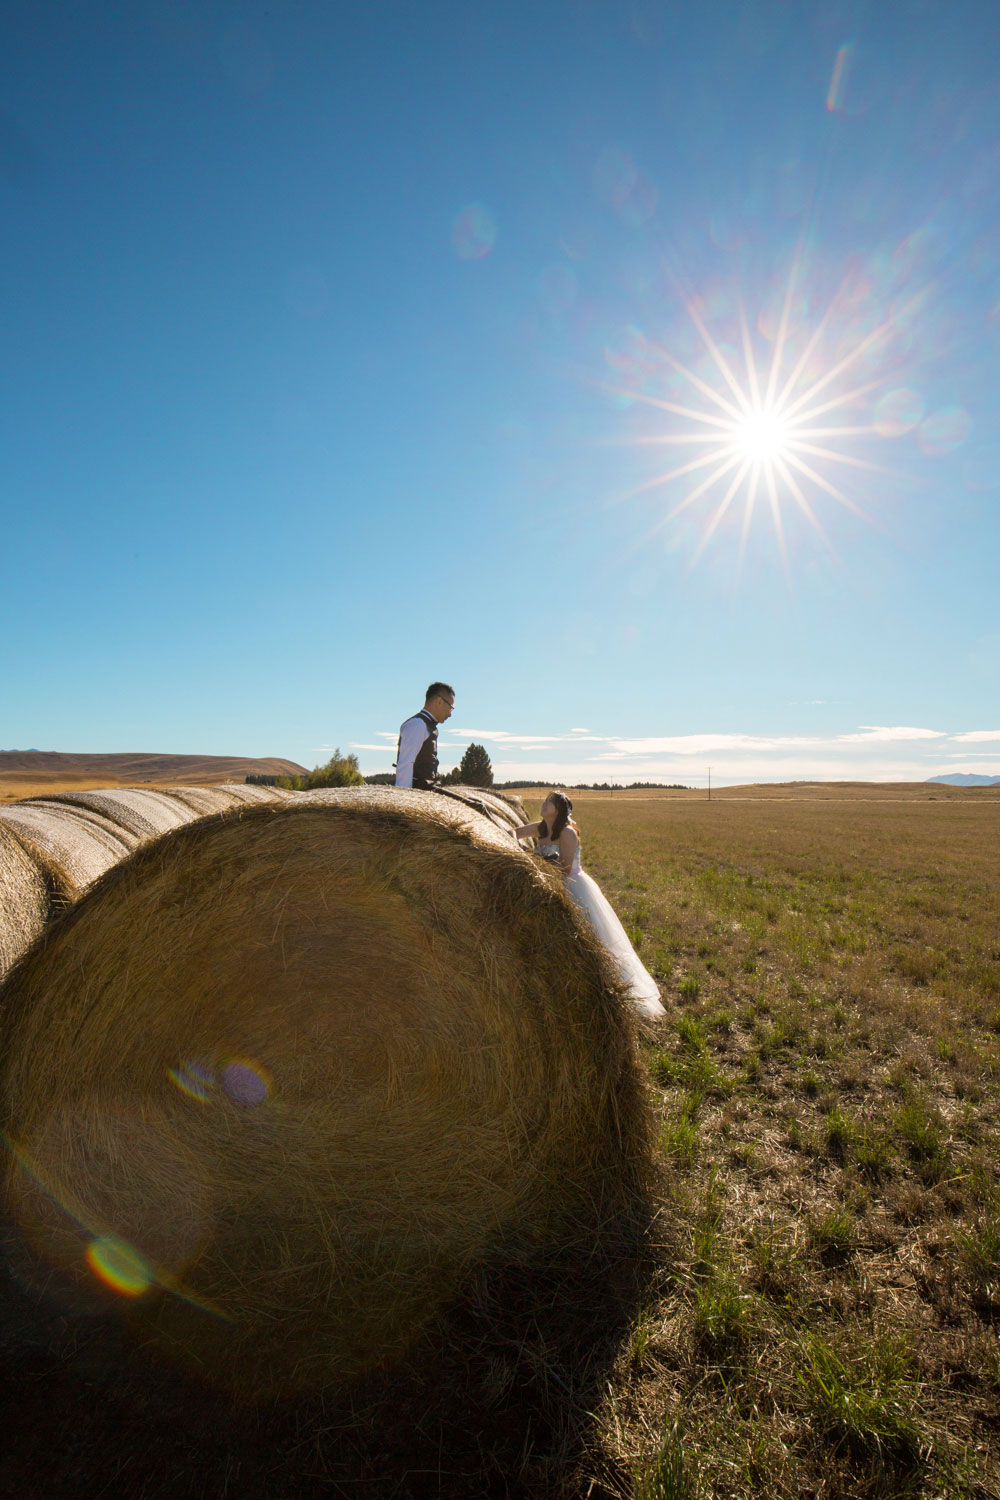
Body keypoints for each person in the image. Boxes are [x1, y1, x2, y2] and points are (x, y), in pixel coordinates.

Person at [513, 791, 666, 1021]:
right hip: (548, 883)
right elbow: (513, 832)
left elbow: (564, 869)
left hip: (573, 887)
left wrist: (531, 858)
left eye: (549, 803)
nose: (543, 805)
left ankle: (612, 991)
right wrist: (515, 848)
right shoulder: (542, 827)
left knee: (593, 941)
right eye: (544, 802)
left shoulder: (567, 833)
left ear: (559, 810)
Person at [394, 682, 455, 789]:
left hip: (427, 790)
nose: (450, 714)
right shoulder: (417, 724)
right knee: (477, 805)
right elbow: (406, 763)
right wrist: (404, 799)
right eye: (450, 707)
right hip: (420, 791)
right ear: (440, 701)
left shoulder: (427, 725)